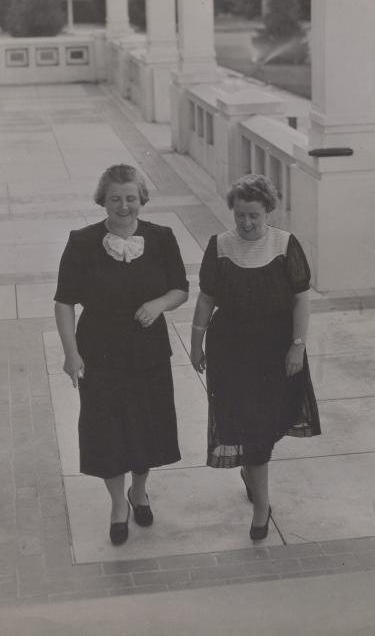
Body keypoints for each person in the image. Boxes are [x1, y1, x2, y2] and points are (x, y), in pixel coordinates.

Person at [54, 164, 188, 545]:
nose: (124, 206)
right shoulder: (81, 242)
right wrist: (71, 353)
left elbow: (181, 288)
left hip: (148, 353)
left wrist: (160, 303)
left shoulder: (162, 238)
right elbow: (64, 302)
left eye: (131, 198)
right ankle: (118, 504)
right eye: (115, 199)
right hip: (100, 353)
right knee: (107, 432)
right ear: (103, 201)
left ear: (142, 199)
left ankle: (139, 491)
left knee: (146, 428)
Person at [190, 174, 320, 541]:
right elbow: (206, 298)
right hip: (230, 352)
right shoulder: (219, 246)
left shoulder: (285, 244)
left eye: (254, 217)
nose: (247, 223)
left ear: (268, 212)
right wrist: (196, 343)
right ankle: (262, 506)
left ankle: (251, 471)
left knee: (267, 425)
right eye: (241, 216)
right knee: (250, 427)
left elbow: (300, 298)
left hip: (276, 352)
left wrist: (298, 344)